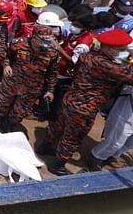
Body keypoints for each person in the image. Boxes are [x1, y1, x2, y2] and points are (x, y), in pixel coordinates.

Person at [39, 29, 133, 176]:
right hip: (85, 108)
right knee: (73, 137)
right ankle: (58, 164)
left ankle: (45, 146)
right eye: (121, 49)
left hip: (70, 98)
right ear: (108, 48)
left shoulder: (87, 55)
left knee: (58, 125)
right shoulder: (110, 66)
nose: (125, 52)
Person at [0, 20, 60, 133]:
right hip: (12, 83)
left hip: (31, 89)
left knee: (20, 112)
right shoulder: (18, 44)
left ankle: (9, 128)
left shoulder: (52, 53)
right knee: (2, 105)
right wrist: (6, 65)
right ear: (33, 36)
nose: (45, 44)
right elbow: (6, 56)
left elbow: (52, 74)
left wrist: (50, 90)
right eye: (42, 40)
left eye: (48, 40)